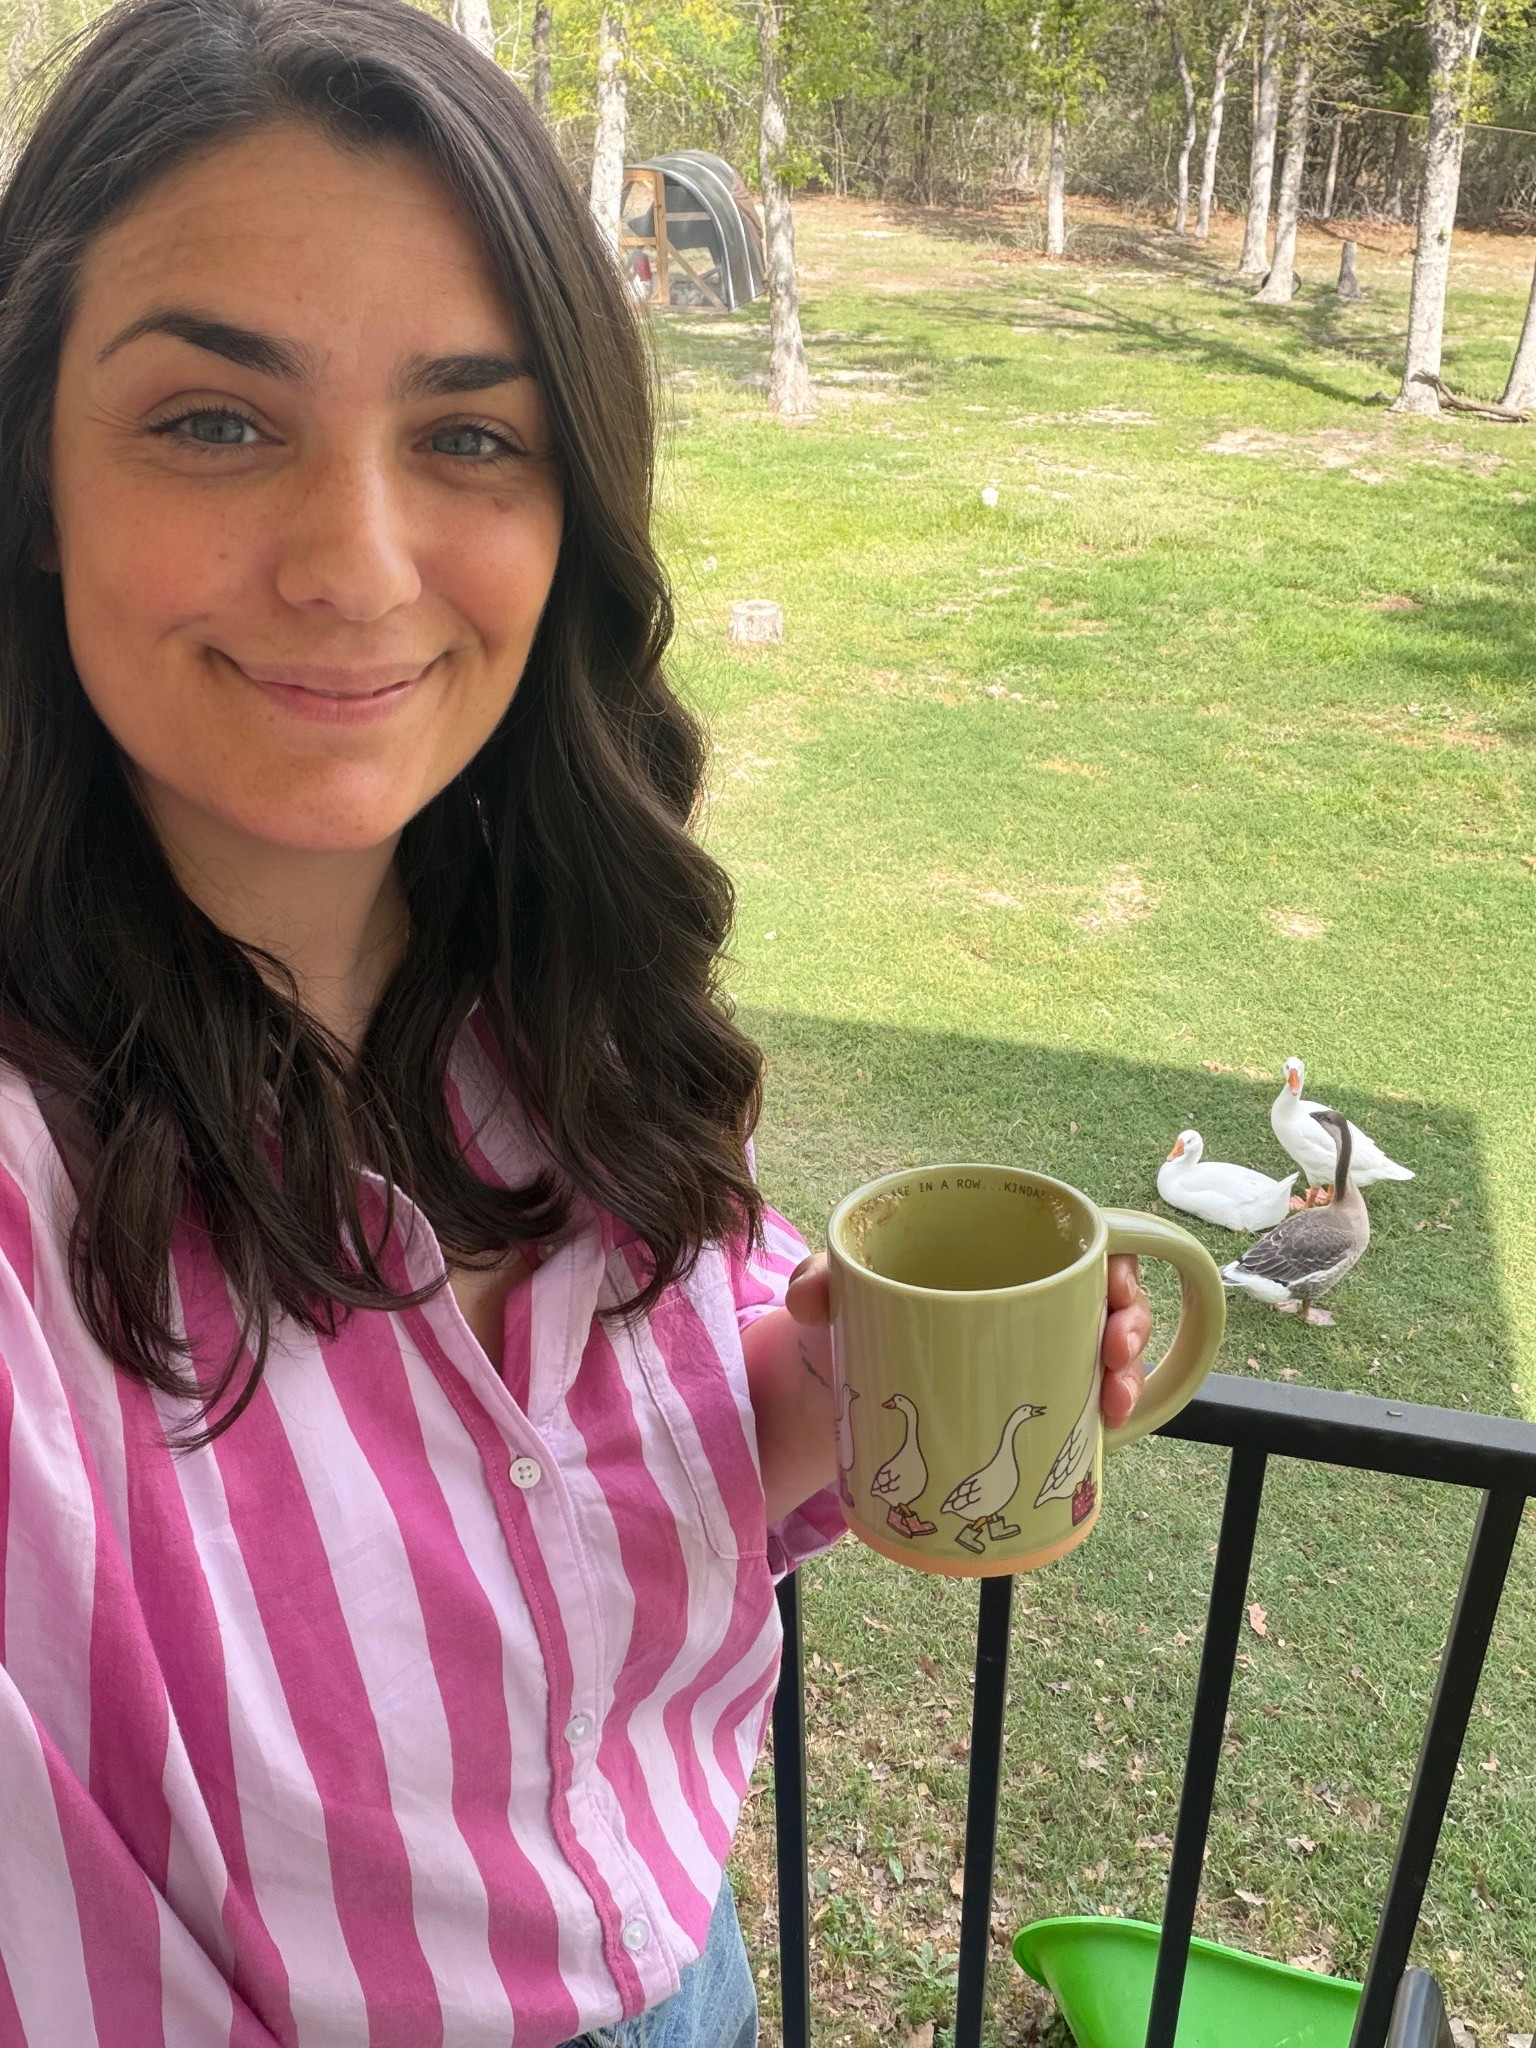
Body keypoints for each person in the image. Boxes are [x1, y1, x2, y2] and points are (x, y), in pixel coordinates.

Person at [0, 1, 1154, 2041]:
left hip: (685, 1969)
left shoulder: (559, 990)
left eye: (469, 435)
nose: (357, 567)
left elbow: (588, 1492)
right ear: (31, 480)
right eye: (213, 421)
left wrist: (830, 1394)